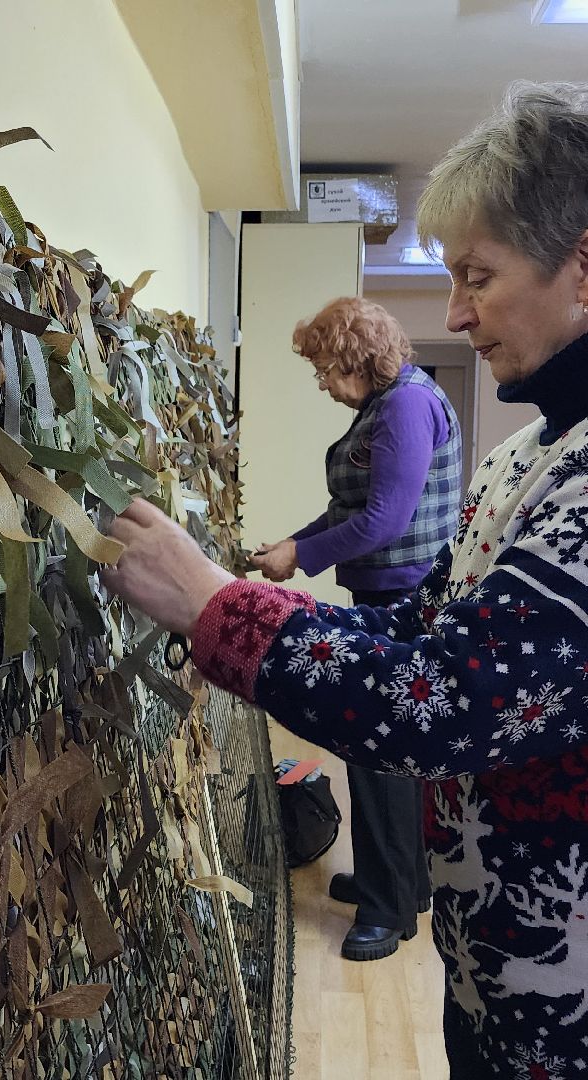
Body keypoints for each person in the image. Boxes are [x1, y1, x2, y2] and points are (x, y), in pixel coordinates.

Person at [103, 80, 588, 1078]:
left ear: (587, 265)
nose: (455, 314)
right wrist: (239, 603)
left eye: (477, 276)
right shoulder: (541, 453)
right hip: (511, 971)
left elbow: (443, 705)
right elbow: (425, 638)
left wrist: (217, 605)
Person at [252, 297, 463, 962]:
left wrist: (302, 556)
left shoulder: (402, 406)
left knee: (381, 755)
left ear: (355, 359)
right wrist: (293, 542)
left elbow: (385, 523)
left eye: (323, 368)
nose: (320, 382)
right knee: (380, 752)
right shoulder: (389, 403)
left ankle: (388, 910)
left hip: (403, 600)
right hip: (388, 592)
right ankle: (399, 882)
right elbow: (352, 507)